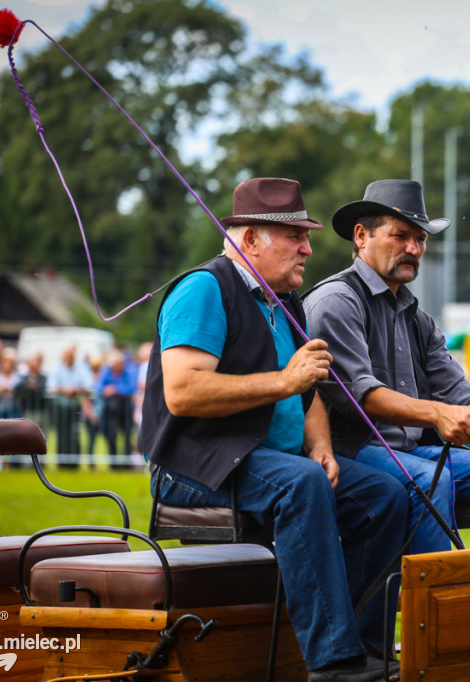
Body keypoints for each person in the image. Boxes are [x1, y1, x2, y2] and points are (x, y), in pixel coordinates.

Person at [138, 177, 406, 682]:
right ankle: (334, 664)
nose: (308, 247)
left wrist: (322, 445)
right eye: (293, 236)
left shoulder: (284, 299)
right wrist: (285, 380)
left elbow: (309, 394)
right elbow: (184, 392)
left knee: (385, 495)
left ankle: (366, 644)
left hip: (265, 461)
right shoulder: (203, 289)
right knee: (301, 484)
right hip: (191, 465)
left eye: (305, 235)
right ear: (249, 240)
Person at [304, 179, 470, 556]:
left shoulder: (419, 319)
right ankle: (437, 607)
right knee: (433, 479)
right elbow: (360, 397)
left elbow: (463, 398)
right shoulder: (336, 301)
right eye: (400, 236)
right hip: (351, 450)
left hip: (413, 454)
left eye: (421, 239)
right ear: (361, 236)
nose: (413, 249)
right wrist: (438, 414)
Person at [47, 345, 94, 467]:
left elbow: (89, 386)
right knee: (61, 434)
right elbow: (50, 388)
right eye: (66, 357)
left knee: (74, 434)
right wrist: (64, 390)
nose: (68, 359)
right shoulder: (56, 368)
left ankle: (74, 464)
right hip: (60, 407)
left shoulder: (81, 369)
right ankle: (62, 463)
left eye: (70, 357)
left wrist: (76, 390)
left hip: (75, 407)